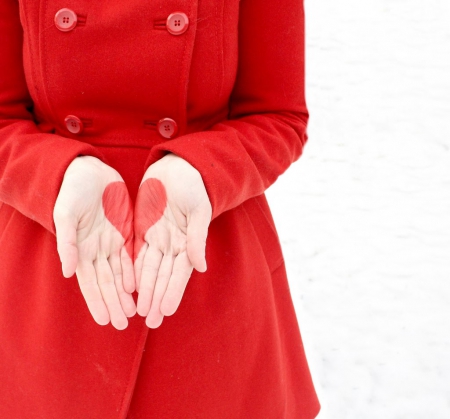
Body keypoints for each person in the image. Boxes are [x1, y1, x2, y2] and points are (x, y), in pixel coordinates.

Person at [0, 0, 321, 418]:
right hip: (57, 265)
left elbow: (279, 116)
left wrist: (206, 168)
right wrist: (55, 174)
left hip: (204, 263)